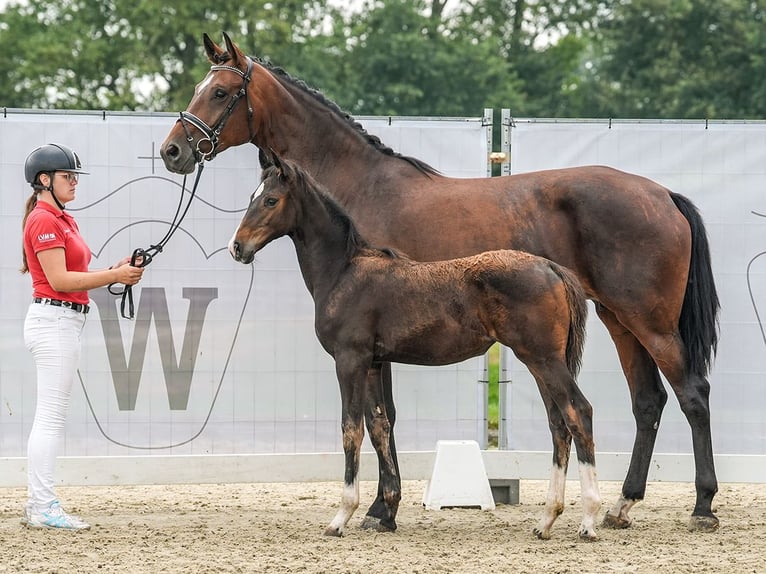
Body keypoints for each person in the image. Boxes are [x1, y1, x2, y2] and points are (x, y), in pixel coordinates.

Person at [20, 143, 145, 530]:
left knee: (51, 416)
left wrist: (116, 268)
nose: (74, 181)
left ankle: (39, 503)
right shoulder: (44, 221)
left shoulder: (63, 219)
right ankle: (41, 505)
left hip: (66, 320)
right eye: (66, 176)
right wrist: (113, 277)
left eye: (74, 175)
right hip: (54, 321)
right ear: (45, 181)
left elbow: (77, 275)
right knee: (50, 418)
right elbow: (59, 280)